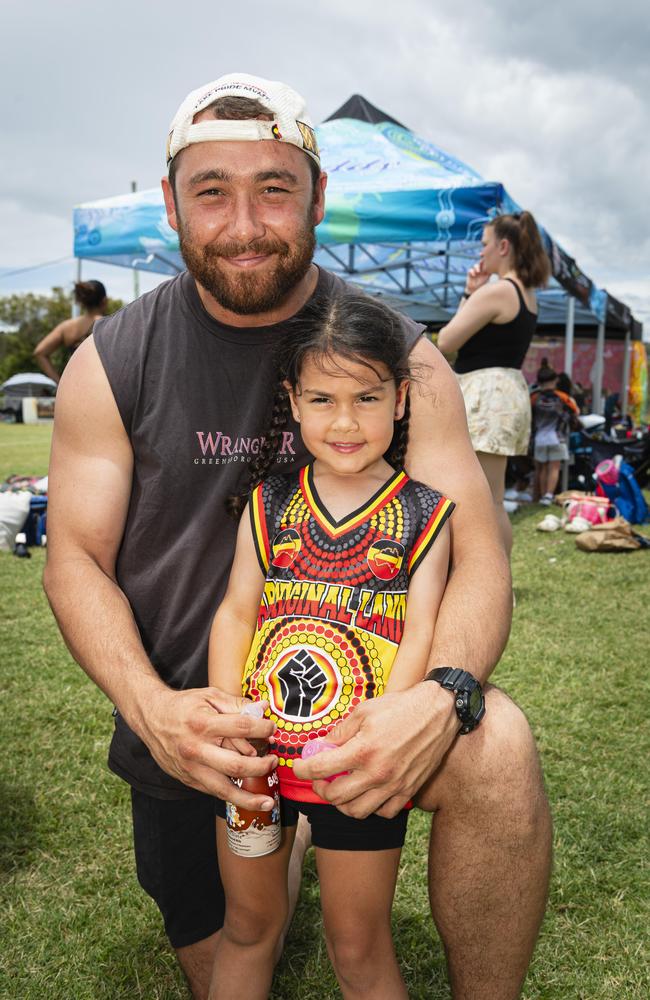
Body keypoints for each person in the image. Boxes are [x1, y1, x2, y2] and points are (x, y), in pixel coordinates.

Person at [44, 73, 551, 1000]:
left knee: (498, 741)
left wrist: (437, 698)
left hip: (370, 710)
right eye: (211, 190)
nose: (245, 221)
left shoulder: (407, 360)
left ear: (318, 196)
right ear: (171, 204)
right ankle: (293, 834)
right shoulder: (109, 362)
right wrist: (155, 708)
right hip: (204, 733)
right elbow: (72, 559)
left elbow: (477, 557)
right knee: (236, 953)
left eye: (275, 187)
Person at [208, 292, 454, 999]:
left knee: (358, 944)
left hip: (357, 770)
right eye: (321, 398)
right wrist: (233, 729)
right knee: (250, 926)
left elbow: (420, 635)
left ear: (402, 399)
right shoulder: (268, 503)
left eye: (367, 398)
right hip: (256, 766)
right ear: (293, 399)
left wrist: (377, 736)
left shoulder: (424, 514)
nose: (345, 422)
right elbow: (235, 613)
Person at [436, 211, 551, 558]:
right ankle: (498, 579)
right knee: (493, 498)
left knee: (483, 500)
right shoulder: (526, 294)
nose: (480, 253)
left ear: (503, 246)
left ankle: (493, 582)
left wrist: (473, 294)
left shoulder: (499, 291)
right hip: (506, 390)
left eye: (485, 245)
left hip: (486, 394)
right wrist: (473, 292)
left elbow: (447, 340)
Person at [33, 280, 108, 383]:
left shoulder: (67, 327)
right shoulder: (110, 324)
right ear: (104, 301)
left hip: (74, 386)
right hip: (103, 386)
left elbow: (40, 352)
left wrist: (59, 382)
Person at [531, 363, 580, 504]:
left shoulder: (534, 398)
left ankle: (540, 496)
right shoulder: (563, 397)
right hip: (557, 438)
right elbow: (576, 411)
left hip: (539, 438)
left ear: (539, 381)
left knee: (541, 468)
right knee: (554, 467)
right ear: (555, 380)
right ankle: (548, 496)